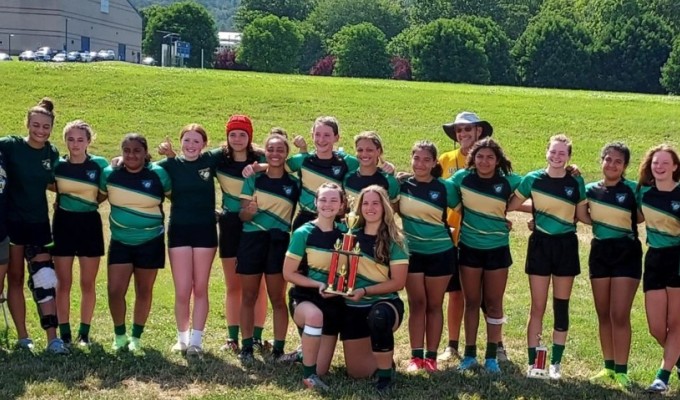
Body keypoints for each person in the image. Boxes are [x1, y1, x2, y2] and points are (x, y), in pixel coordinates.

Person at [508, 134, 588, 380]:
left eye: (562, 153)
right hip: (540, 246)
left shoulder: (576, 181)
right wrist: (537, 213)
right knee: (538, 308)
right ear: (546, 152)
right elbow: (511, 204)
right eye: (553, 152)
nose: (557, 157)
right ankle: (534, 364)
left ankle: (555, 364)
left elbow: (583, 215)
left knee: (561, 306)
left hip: (565, 246)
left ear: (569, 157)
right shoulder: (532, 179)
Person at [0, 98, 67, 353]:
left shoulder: (51, 153)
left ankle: (53, 339)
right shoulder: (12, 146)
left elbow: (57, 181)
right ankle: (23, 337)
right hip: (13, 223)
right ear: (27, 124)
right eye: (36, 125)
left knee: (44, 278)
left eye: (45, 127)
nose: (40, 131)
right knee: (15, 278)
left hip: (39, 223)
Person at [448, 138, 520, 374]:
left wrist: (572, 170)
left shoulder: (509, 182)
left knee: (494, 304)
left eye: (490, 157)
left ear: (497, 160)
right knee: (471, 302)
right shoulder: (461, 178)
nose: (484, 161)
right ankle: (469, 355)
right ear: (472, 158)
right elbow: (435, 186)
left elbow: (538, 183)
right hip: (469, 248)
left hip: (497, 250)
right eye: (480, 156)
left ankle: (492, 357)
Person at [438, 111, 506, 362]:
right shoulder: (445, 159)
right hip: (449, 237)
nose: (463, 134)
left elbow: (502, 197)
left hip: (482, 238)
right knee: (456, 294)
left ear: (480, 132)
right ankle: (453, 345)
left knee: (491, 296)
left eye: (468, 129)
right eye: (459, 130)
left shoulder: (490, 159)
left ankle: (497, 346)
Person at [99, 133, 171, 352]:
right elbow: (96, 199)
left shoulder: (158, 174)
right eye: (127, 150)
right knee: (114, 290)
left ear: (145, 153)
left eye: (137, 150)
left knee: (143, 290)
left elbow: (178, 197)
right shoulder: (110, 173)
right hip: (121, 241)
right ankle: (119, 335)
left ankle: (136, 337)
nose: (131, 155)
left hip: (151, 241)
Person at [579, 142, 641, 389]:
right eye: (608, 159)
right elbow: (582, 216)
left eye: (618, 161)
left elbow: (644, 216)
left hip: (627, 253)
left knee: (619, 313)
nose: (612, 164)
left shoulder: (635, 190)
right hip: (600, 252)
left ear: (625, 166)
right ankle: (608, 366)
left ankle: (622, 370)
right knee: (603, 312)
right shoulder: (589, 190)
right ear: (601, 160)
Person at [156, 124, 221, 356]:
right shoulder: (169, 164)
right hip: (179, 232)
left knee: (200, 287)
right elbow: (141, 167)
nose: (191, 145)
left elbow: (238, 150)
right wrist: (116, 162)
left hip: (205, 232)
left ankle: (197, 340)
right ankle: (182, 339)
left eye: (196, 141)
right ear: (179, 142)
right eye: (186, 140)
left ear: (204, 144)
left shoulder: (210, 160)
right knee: (182, 290)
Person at [237, 134, 300, 361]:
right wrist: (249, 212)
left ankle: (278, 350)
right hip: (252, 241)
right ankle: (246, 348)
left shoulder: (294, 184)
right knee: (249, 295)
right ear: (265, 152)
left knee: (277, 298)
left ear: (286, 153)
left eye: (280, 149)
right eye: (271, 149)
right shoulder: (253, 179)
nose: (275, 153)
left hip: (278, 242)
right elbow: (242, 215)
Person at [396, 140, 457, 372]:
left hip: (441, 252)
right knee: (416, 304)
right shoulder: (401, 185)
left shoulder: (445, 187)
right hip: (411, 253)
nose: (420, 164)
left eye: (426, 159)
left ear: (434, 163)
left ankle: (431, 358)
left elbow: (465, 209)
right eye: (416, 158)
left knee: (434, 304)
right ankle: (416, 357)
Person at [340, 185, 408, 391]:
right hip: (354, 306)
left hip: (384, 303)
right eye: (365, 203)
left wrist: (365, 291)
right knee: (357, 373)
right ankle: (381, 356)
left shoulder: (396, 240)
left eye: (375, 203)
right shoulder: (350, 236)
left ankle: (385, 377)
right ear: (359, 208)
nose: (370, 208)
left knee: (378, 317)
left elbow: (398, 282)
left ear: (385, 206)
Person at [283, 182, 347, 390]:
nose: (327, 204)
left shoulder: (347, 234)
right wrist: (318, 284)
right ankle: (309, 377)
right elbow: (288, 273)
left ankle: (304, 353)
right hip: (305, 298)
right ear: (315, 203)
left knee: (322, 368)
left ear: (342, 205)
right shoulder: (303, 233)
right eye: (323, 200)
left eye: (333, 200)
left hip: (333, 302)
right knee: (314, 317)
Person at [214, 115, 268, 353]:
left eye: (242, 134)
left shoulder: (260, 159)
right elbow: (192, 162)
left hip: (256, 226)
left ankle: (256, 336)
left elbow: (285, 163)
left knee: (259, 286)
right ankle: (232, 337)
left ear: (250, 137)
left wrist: (260, 167)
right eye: (232, 134)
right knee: (233, 285)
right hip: (230, 225)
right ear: (227, 136)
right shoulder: (219, 159)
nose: (237, 139)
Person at [52, 120, 108, 347]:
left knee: (88, 282)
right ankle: (64, 332)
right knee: (63, 282)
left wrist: (88, 204)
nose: (75, 144)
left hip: (89, 225)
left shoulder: (100, 165)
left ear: (88, 141)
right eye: (70, 139)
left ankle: (84, 333)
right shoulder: (57, 165)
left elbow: (104, 193)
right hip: (63, 223)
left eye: (80, 139)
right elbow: (49, 186)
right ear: (65, 140)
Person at [636, 145, 680, 393]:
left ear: (675, 167)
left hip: (676, 259)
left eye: (665, 162)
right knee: (655, 328)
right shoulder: (644, 193)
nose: (659, 167)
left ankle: (662, 377)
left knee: (676, 324)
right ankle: (677, 359)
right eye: (655, 163)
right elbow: (632, 215)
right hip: (653, 259)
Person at [286, 116, 359, 230]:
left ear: (336, 138)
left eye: (327, 135)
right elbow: (277, 166)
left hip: (333, 220)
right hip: (305, 219)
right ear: (312, 136)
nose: (321, 140)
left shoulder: (346, 161)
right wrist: (255, 168)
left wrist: (389, 167)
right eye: (317, 134)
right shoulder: (302, 159)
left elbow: (370, 162)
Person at [343, 131, 400, 205]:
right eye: (360, 150)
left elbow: (394, 212)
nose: (364, 154)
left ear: (378, 151)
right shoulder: (347, 177)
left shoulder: (390, 182)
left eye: (369, 150)